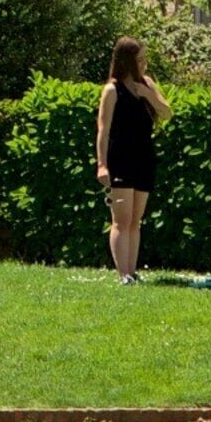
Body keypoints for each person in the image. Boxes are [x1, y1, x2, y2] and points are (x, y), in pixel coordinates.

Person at [89, 38, 169, 284]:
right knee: (121, 221)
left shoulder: (147, 84)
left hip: (144, 158)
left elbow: (167, 112)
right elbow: (103, 131)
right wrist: (102, 165)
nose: (144, 64)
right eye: (140, 60)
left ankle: (132, 272)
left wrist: (148, 95)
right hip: (120, 160)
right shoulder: (112, 91)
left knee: (135, 220)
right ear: (127, 62)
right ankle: (123, 274)